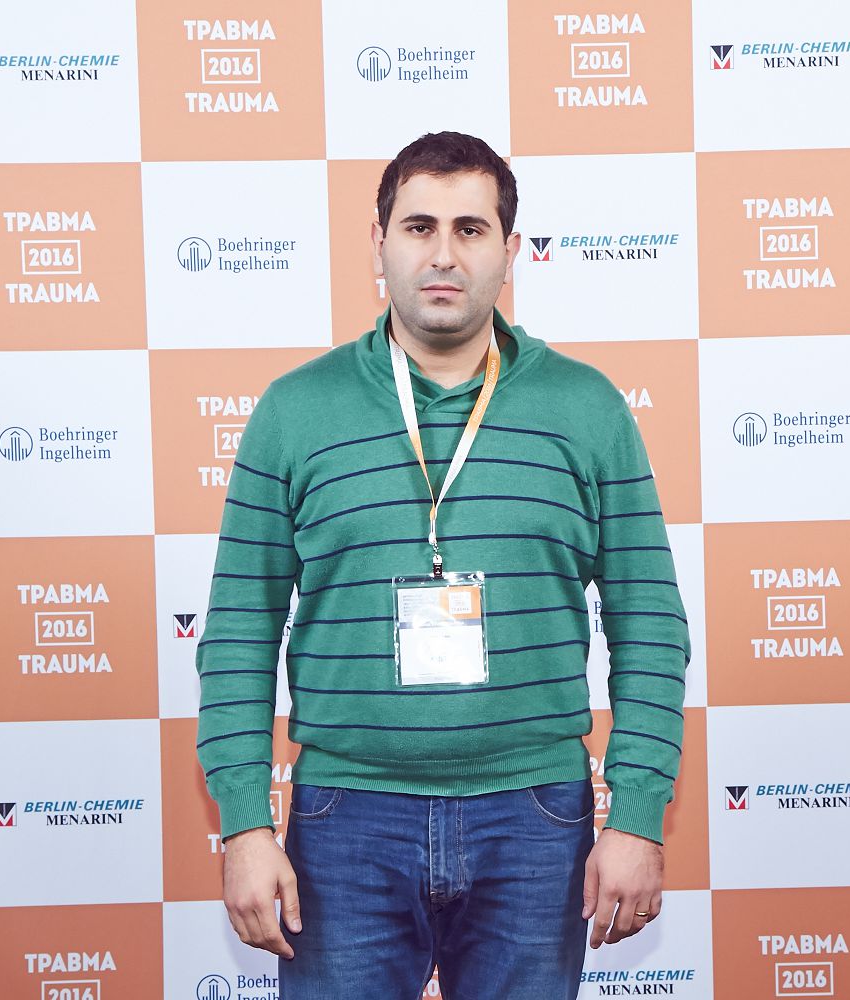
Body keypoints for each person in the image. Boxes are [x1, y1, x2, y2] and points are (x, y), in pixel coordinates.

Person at [195, 131, 690, 999]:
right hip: (345, 819)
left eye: (471, 229)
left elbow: (650, 625)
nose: (443, 254)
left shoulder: (587, 410)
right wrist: (244, 825)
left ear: (510, 250)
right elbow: (239, 631)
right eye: (419, 226)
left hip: (535, 816)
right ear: (379, 243)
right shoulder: (295, 412)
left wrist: (638, 816)